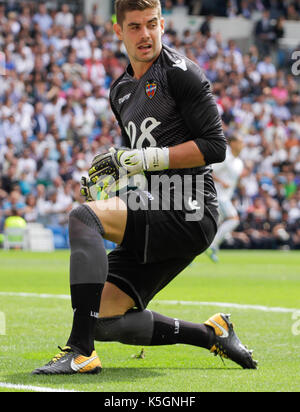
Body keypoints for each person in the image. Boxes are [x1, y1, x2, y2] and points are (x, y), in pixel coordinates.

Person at [32, 0, 257, 375]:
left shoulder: (182, 74)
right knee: (104, 318)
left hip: (190, 207)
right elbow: (135, 157)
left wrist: (145, 160)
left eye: (151, 24)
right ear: (118, 31)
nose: (145, 34)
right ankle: (212, 334)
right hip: (157, 203)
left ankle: (80, 351)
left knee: (82, 220)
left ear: (163, 25)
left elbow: (215, 146)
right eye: (134, 26)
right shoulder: (120, 91)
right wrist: (110, 178)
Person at [206, 134, 244, 263]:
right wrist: (221, 182)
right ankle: (212, 246)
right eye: (240, 142)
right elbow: (210, 171)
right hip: (218, 195)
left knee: (210, 227)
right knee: (234, 219)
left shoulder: (239, 162)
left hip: (226, 196)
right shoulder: (225, 157)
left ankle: (189, 254)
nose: (242, 145)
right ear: (232, 143)